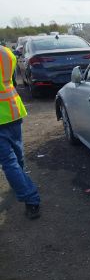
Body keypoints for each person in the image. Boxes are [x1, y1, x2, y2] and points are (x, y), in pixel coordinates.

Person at [0, 45, 41, 219]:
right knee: (16, 154)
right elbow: (11, 78)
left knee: (9, 162)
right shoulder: (6, 52)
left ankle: (31, 198)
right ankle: (20, 180)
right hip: (13, 110)